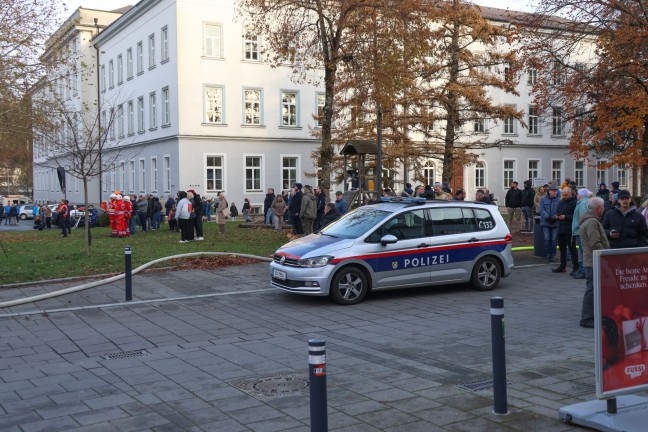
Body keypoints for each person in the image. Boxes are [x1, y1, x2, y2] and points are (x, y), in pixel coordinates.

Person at [579, 197, 609, 328]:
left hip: (592, 260)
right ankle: (587, 318)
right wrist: (606, 256)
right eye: (602, 207)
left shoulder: (590, 220)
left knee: (593, 289)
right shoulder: (592, 222)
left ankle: (592, 316)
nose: (604, 209)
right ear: (598, 208)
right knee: (592, 289)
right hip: (594, 261)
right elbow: (595, 243)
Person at [553, 188, 578, 274]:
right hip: (561, 229)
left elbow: (576, 216)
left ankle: (576, 267)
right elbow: (558, 211)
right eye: (563, 195)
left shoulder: (575, 203)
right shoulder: (561, 202)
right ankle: (562, 266)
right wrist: (557, 215)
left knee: (572, 249)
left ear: (570, 194)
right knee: (562, 248)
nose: (564, 197)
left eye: (566, 195)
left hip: (570, 230)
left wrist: (566, 217)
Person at [571, 189, 591, 279]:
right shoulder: (586, 202)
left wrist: (579, 226)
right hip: (582, 230)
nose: (577, 195)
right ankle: (582, 270)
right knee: (584, 251)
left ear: (581, 195)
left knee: (583, 251)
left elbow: (582, 217)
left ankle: (584, 271)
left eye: (578, 194)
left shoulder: (582, 204)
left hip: (580, 231)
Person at [540, 185, 560, 262]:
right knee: (547, 239)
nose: (555, 192)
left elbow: (560, 210)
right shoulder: (543, 199)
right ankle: (548, 254)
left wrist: (554, 217)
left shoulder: (559, 200)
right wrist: (548, 217)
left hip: (555, 223)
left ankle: (553, 255)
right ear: (549, 191)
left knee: (554, 239)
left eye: (556, 191)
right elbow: (542, 210)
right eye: (554, 191)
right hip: (546, 222)